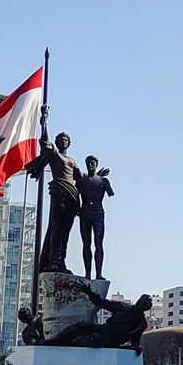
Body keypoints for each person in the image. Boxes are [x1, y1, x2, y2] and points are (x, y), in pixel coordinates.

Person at [26, 132, 81, 273]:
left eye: (66, 140)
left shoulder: (73, 161)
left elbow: (81, 180)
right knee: (56, 228)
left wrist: (97, 177)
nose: (63, 141)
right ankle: (54, 261)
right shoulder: (56, 154)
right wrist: (44, 121)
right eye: (61, 139)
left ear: (69, 143)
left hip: (72, 197)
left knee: (65, 232)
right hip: (59, 193)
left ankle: (61, 261)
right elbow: (45, 142)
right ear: (57, 142)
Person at [40, 285, 152, 350]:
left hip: (110, 341)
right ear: (138, 301)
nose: (140, 306)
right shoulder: (122, 307)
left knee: (89, 341)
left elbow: (135, 341)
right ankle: (54, 341)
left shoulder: (141, 324)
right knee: (81, 326)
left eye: (144, 306)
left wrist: (136, 347)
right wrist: (90, 293)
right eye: (140, 303)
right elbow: (101, 302)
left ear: (145, 309)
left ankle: (65, 345)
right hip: (103, 329)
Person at [76, 155, 114, 280]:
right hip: (85, 213)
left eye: (93, 163)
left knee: (99, 243)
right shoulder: (81, 180)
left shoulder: (103, 180)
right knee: (86, 244)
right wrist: (77, 209)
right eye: (88, 163)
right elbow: (76, 196)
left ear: (96, 165)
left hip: (98, 213)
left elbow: (111, 193)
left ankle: (98, 273)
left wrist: (104, 182)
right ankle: (87, 273)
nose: (90, 165)